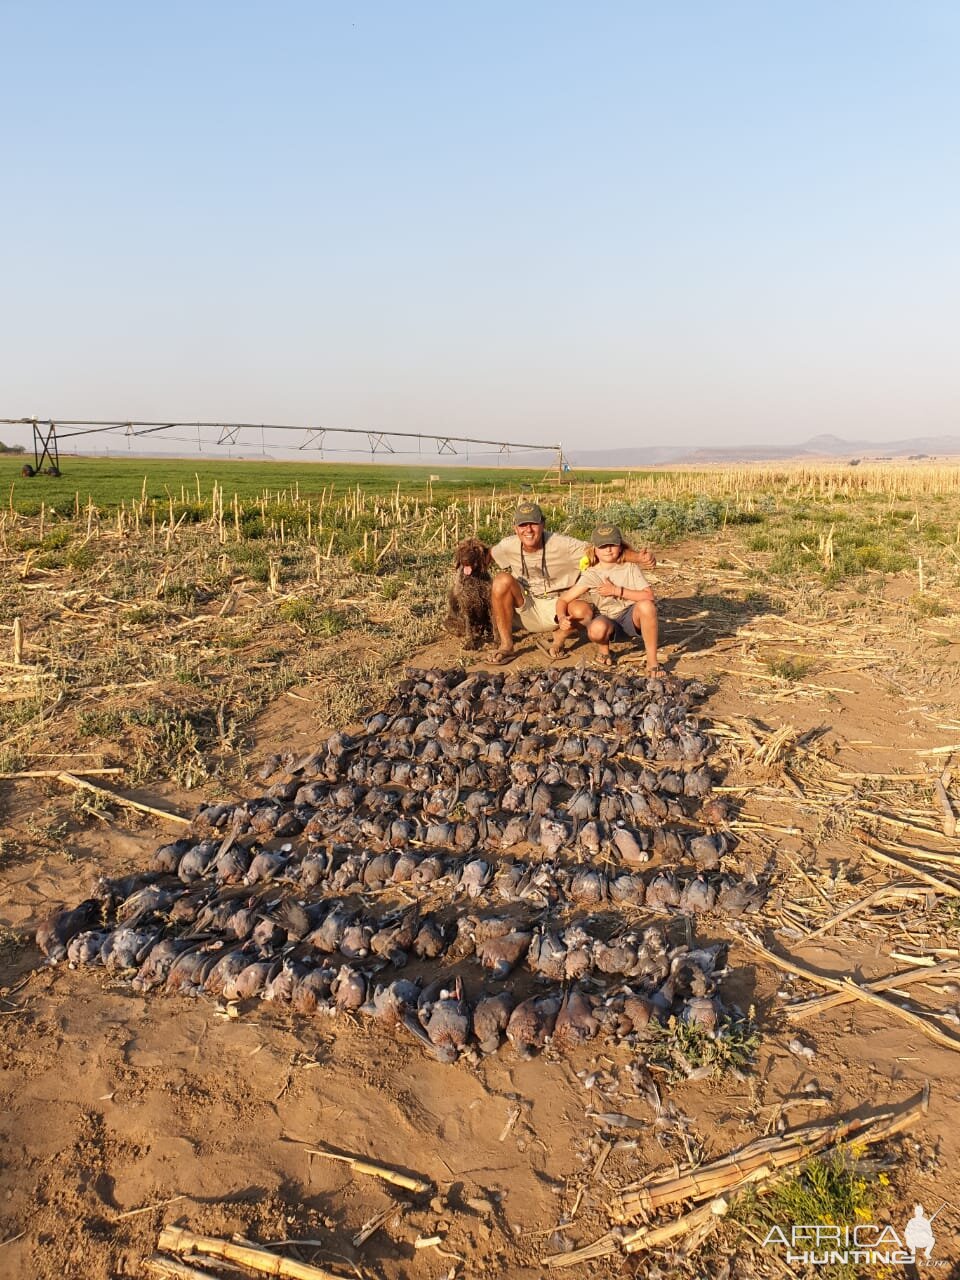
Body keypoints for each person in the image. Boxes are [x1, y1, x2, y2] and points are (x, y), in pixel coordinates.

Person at [489, 503, 655, 664]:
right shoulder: (507, 545)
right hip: (526, 604)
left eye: (533, 523)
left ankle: (559, 638)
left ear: (543, 524)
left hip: (558, 604)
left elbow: (601, 551)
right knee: (501, 580)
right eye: (522, 525)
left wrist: (639, 558)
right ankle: (506, 645)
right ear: (515, 528)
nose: (528, 530)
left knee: (583, 610)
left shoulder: (563, 544)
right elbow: (487, 556)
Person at [554, 523, 661, 672]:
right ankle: (604, 650)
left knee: (647, 606)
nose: (608, 550)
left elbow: (649, 595)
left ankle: (652, 663)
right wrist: (561, 618)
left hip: (631, 616)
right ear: (595, 550)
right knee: (597, 628)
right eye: (603, 546)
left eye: (613, 544)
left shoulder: (630, 566)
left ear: (620, 545)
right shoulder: (592, 573)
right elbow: (563, 599)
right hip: (609, 620)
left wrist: (616, 591)